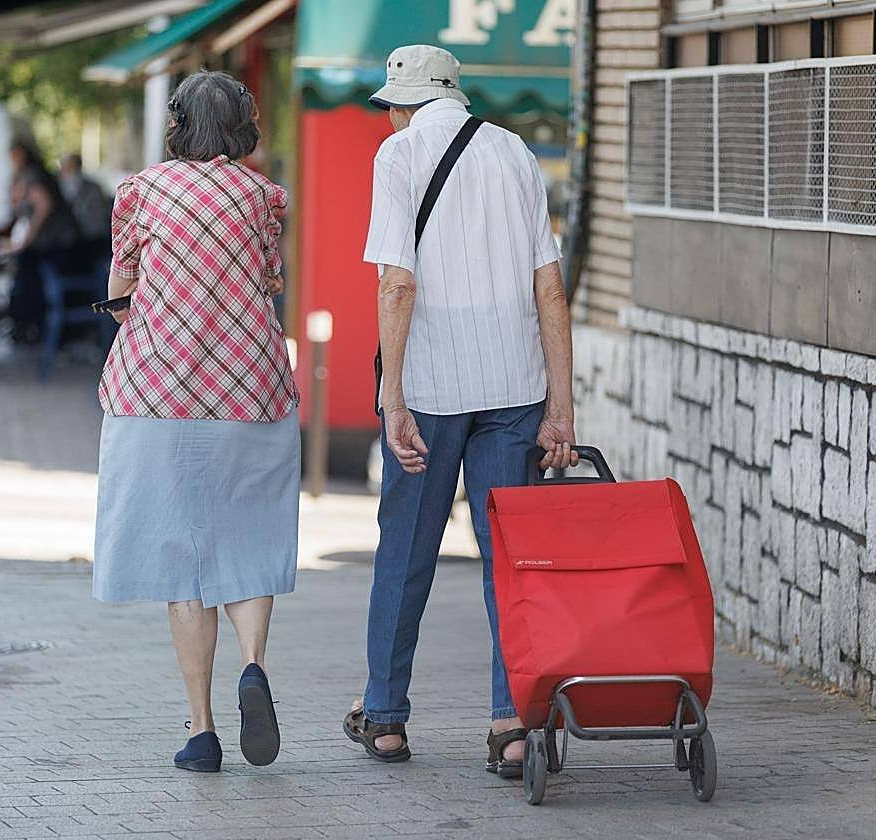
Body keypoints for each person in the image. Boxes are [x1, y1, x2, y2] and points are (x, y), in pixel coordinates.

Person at [343, 45, 578, 777]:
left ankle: (385, 718)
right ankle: (511, 725)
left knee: (406, 548)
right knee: (508, 558)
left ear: (404, 106)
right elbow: (550, 289)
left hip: (434, 386)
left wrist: (394, 398)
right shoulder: (513, 153)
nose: (388, 123)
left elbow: (396, 286)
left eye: (390, 110)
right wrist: (561, 409)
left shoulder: (399, 158)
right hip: (515, 387)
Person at [92, 70, 297, 775]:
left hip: (158, 391)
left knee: (183, 559)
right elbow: (270, 279)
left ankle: (203, 731)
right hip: (252, 389)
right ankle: (253, 666)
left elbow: (122, 286)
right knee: (250, 537)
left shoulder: (140, 192)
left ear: (177, 124)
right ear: (243, 124)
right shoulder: (266, 196)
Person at [5, 140, 80, 339]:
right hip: (54, 241)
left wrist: (29, 237)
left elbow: (43, 206)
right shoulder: (30, 175)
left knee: (31, 278)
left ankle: (31, 326)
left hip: (55, 241)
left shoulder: (33, 175)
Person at [59, 153, 112, 259]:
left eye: (72, 165)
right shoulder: (57, 186)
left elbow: (100, 211)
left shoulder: (93, 187)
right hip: (66, 237)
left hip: (91, 235)